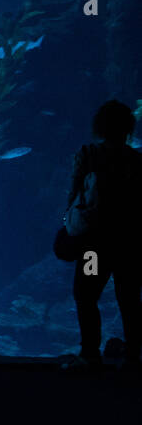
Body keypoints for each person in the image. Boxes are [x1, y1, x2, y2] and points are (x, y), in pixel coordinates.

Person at [62, 100, 142, 373]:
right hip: (129, 244)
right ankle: (133, 358)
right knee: (130, 299)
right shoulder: (137, 160)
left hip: (94, 244)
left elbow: (75, 196)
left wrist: (68, 227)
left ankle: (90, 355)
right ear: (128, 128)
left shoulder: (88, 154)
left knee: (85, 295)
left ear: (99, 126)